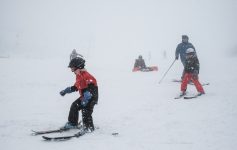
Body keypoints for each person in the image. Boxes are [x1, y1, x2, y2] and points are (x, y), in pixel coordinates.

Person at [60, 57, 98, 132]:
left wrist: (86, 99)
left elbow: (91, 88)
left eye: (73, 68)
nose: (72, 71)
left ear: (79, 67)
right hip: (84, 97)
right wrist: (66, 91)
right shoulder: (79, 76)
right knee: (74, 106)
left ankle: (88, 127)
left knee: (86, 110)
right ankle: (73, 123)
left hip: (92, 97)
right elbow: (76, 87)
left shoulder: (87, 76)